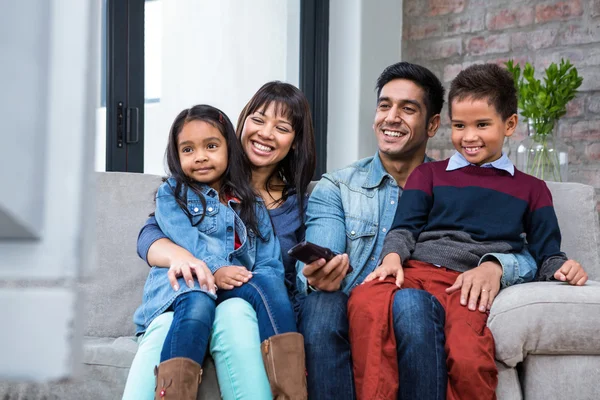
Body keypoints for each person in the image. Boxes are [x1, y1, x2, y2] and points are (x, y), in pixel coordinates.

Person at [296, 62, 538, 400]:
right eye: (385, 105)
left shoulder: (458, 187)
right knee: (324, 305)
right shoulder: (337, 186)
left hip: (425, 311)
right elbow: (320, 253)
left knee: (412, 304)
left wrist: (495, 266)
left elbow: (525, 249)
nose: (391, 117)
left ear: (433, 124)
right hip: (357, 313)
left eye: (407, 109)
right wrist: (317, 274)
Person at [347, 63, 589, 400]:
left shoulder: (532, 190)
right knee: (365, 300)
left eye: (482, 125)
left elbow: (546, 254)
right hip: (416, 273)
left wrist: (564, 268)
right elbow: (405, 229)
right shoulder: (428, 175)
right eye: (459, 126)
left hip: (469, 286)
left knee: (468, 357)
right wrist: (391, 258)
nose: (469, 136)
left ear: (510, 124)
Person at [122, 82, 316, 400]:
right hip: (187, 289)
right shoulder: (175, 192)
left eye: (281, 127)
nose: (266, 133)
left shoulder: (264, 203)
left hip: (240, 301)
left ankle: (292, 391)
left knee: (268, 286)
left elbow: (269, 263)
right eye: (259, 119)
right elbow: (157, 235)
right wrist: (216, 267)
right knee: (196, 300)